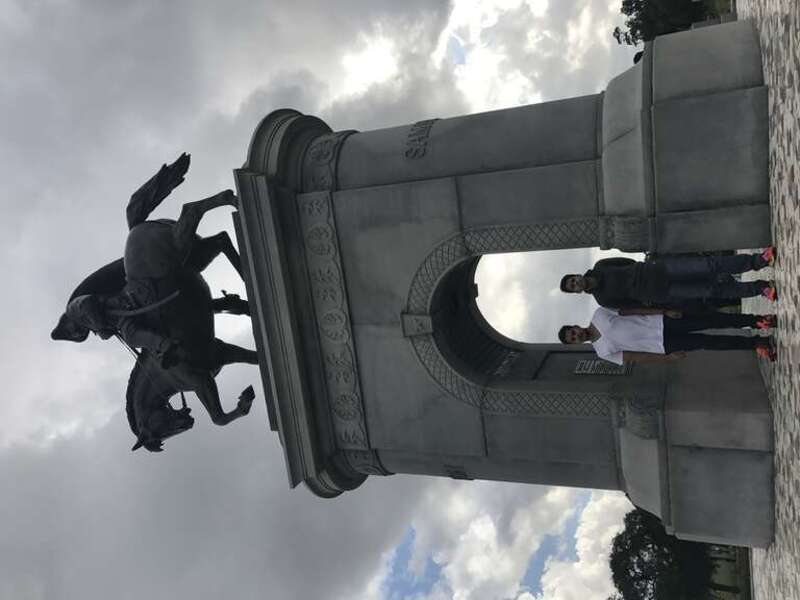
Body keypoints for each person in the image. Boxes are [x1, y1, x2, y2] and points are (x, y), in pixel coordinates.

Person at [559, 249, 777, 309]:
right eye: (573, 287)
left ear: (576, 275)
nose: (576, 284)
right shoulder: (603, 300)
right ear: (577, 292)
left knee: (708, 265)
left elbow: (625, 261)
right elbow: (629, 305)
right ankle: (761, 288)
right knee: (711, 291)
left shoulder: (601, 266)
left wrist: (642, 269)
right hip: (660, 293)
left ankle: (758, 261)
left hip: (659, 270)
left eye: (573, 280)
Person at [558, 307, 777, 364]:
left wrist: (663, 311)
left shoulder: (599, 314)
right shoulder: (602, 352)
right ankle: (756, 343)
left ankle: (757, 320)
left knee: (712, 320)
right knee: (710, 342)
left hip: (662, 321)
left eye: (573, 332)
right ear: (576, 343)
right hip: (663, 345)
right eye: (573, 339)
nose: (576, 335)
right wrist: (667, 358)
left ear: (575, 326)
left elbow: (631, 311)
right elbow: (635, 357)